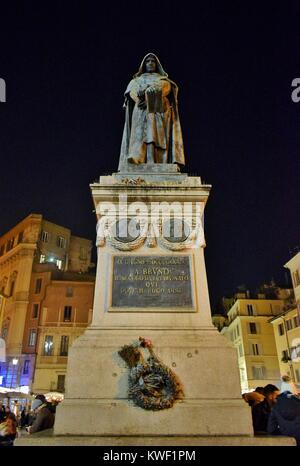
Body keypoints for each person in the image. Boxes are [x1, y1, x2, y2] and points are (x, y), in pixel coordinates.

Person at [119, 53, 185, 169]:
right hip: (141, 110)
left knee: (155, 135)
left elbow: (165, 88)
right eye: (148, 61)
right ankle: (139, 158)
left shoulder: (162, 79)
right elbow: (131, 91)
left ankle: (155, 161)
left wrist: (148, 98)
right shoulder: (136, 80)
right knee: (141, 135)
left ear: (157, 64)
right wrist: (141, 98)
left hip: (159, 111)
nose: (150, 63)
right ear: (144, 64)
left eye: (152, 61)